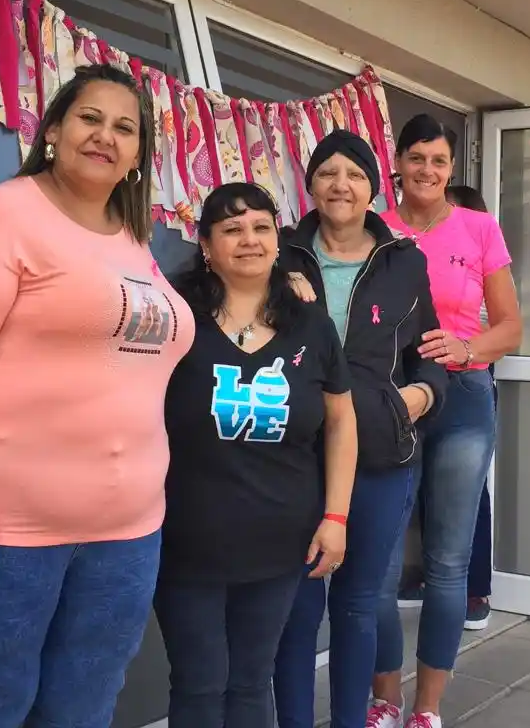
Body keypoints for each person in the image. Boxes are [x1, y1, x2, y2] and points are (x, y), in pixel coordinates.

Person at [0, 63, 193, 727]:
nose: (105, 136)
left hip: (124, 536)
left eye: (125, 128)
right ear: (54, 129)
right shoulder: (3, 215)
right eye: (90, 118)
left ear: (139, 155)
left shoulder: (134, 242)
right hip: (1, 531)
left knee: (81, 711)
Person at [158, 182, 358, 728]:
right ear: (205, 245)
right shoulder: (176, 320)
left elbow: (341, 420)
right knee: (199, 686)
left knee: (251, 683)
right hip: (187, 541)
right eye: (232, 229)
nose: (250, 240)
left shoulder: (310, 323)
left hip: (279, 541)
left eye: (261, 227)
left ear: (278, 239)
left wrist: (335, 517)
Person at [272, 130, 449, 728]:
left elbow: (428, 355)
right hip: (295, 460)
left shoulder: (404, 261)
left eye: (353, 174)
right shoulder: (280, 253)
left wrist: (419, 398)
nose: (340, 185)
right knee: (296, 612)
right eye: (327, 173)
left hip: (378, 457)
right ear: (311, 184)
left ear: (374, 187)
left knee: (356, 608)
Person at [372, 116, 523, 728]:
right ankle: (383, 700)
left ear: (451, 169)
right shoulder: (376, 227)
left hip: (461, 397)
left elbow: (512, 326)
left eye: (438, 161)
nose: (427, 171)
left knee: (448, 560)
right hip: (388, 397)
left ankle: (425, 710)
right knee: (378, 560)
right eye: (416, 159)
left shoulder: (478, 228)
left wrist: (468, 349)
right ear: (398, 164)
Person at [397, 184, 497, 631]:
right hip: (407, 384)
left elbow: (505, 326)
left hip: (467, 378)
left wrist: (467, 348)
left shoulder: (479, 238)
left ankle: (475, 588)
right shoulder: (391, 234)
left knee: (466, 501)